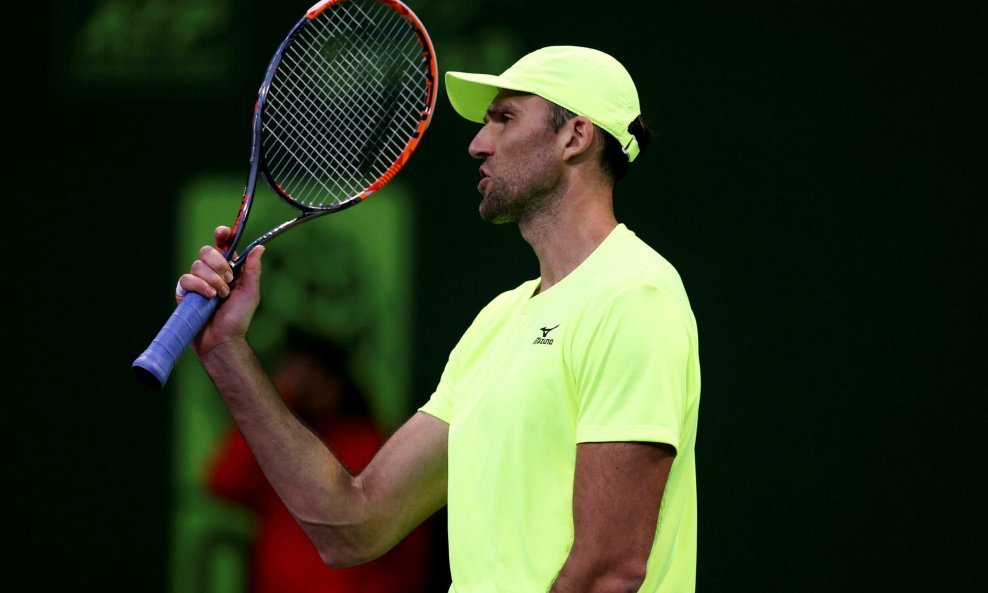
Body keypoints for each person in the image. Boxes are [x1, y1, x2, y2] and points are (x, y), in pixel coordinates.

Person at [176, 45, 701, 593]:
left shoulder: (634, 296)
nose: (478, 144)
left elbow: (609, 572)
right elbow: (354, 524)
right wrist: (226, 349)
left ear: (574, 136)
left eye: (505, 118)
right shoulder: (498, 323)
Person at [203, 326, 431, 593]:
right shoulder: (275, 446)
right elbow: (223, 482)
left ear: (335, 380)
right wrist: (278, 400)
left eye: (314, 375)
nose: (305, 385)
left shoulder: (369, 443)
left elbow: (409, 549)